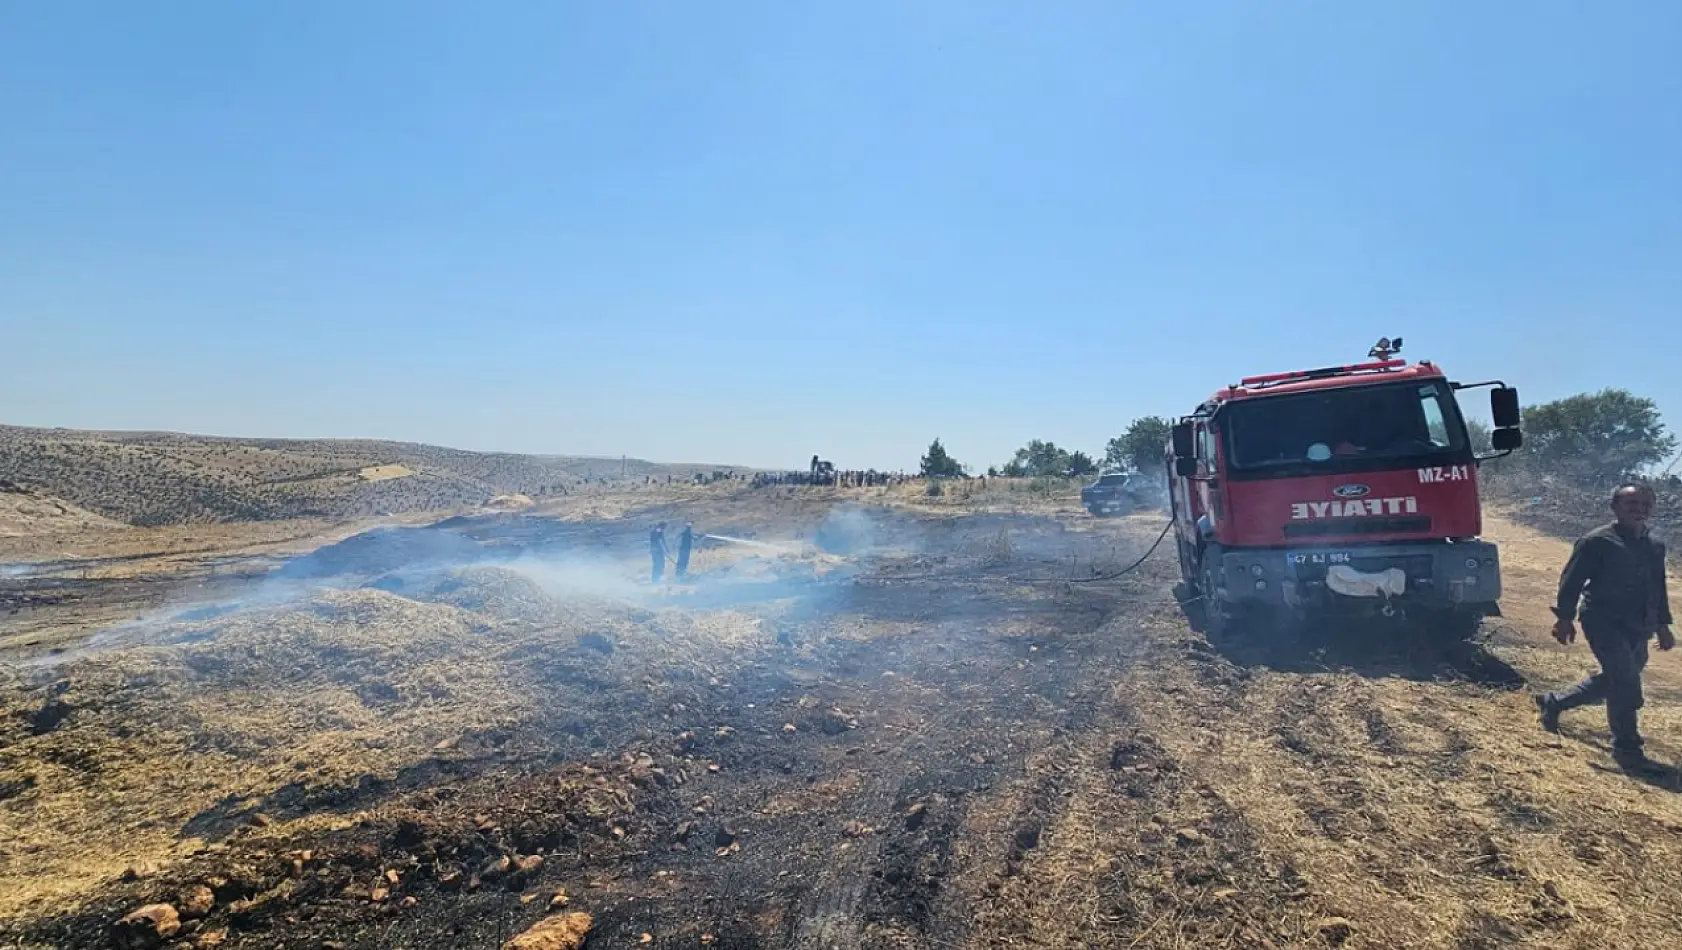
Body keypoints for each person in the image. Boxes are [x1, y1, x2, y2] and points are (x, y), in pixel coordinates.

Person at [1537, 483, 1674, 765]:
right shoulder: (1596, 541)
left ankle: (1556, 701)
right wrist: (1564, 618)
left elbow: (1657, 587)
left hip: (1640, 625)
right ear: (1615, 508)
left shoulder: (1654, 546)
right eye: (1631, 504)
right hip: (1603, 621)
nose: (1639, 510)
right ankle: (1628, 748)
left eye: (1646, 505)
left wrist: (1663, 625)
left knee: (1614, 679)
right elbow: (1572, 580)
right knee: (1626, 682)